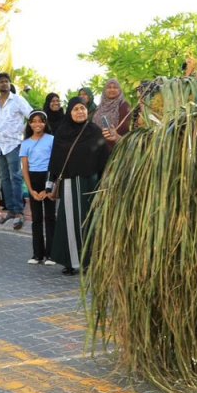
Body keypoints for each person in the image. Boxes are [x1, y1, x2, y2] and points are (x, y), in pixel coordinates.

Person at [49, 100, 110, 276]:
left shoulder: (94, 131)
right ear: (69, 112)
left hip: (89, 182)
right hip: (68, 182)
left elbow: (104, 157)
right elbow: (56, 159)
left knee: (89, 220)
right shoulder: (62, 132)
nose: (80, 112)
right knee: (68, 221)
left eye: (82, 108)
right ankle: (70, 262)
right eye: (75, 109)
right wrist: (50, 183)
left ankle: (88, 262)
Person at [0, 73, 33, 229]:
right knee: (4, 179)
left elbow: (31, 116)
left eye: (6, 81)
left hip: (14, 144)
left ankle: (19, 212)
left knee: (15, 177)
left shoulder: (18, 100)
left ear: (10, 84)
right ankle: (11, 210)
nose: (4, 84)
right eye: (1, 82)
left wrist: (26, 136)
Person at [21, 111, 56, 265]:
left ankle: (51, 254)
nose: (37, 124)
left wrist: (48, 189)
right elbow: (25, 168)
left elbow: (54, 164)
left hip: (48, 178)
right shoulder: (26, 143)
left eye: (40, 121)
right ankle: (37, 254)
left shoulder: (51, 140)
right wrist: (31, 190)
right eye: (33, 121)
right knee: (36, 219)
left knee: (50, 217)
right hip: (33, 180)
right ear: (29, 124)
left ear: (45, 123)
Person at [94, 79, 131, 147]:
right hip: (97, 148)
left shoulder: (124, 105)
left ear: (119, 90)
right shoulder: (99, 108)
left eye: (115, 87)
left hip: (116, 148)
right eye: (109, 87)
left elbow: (125, 129)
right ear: (105, 90)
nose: (112, 90)